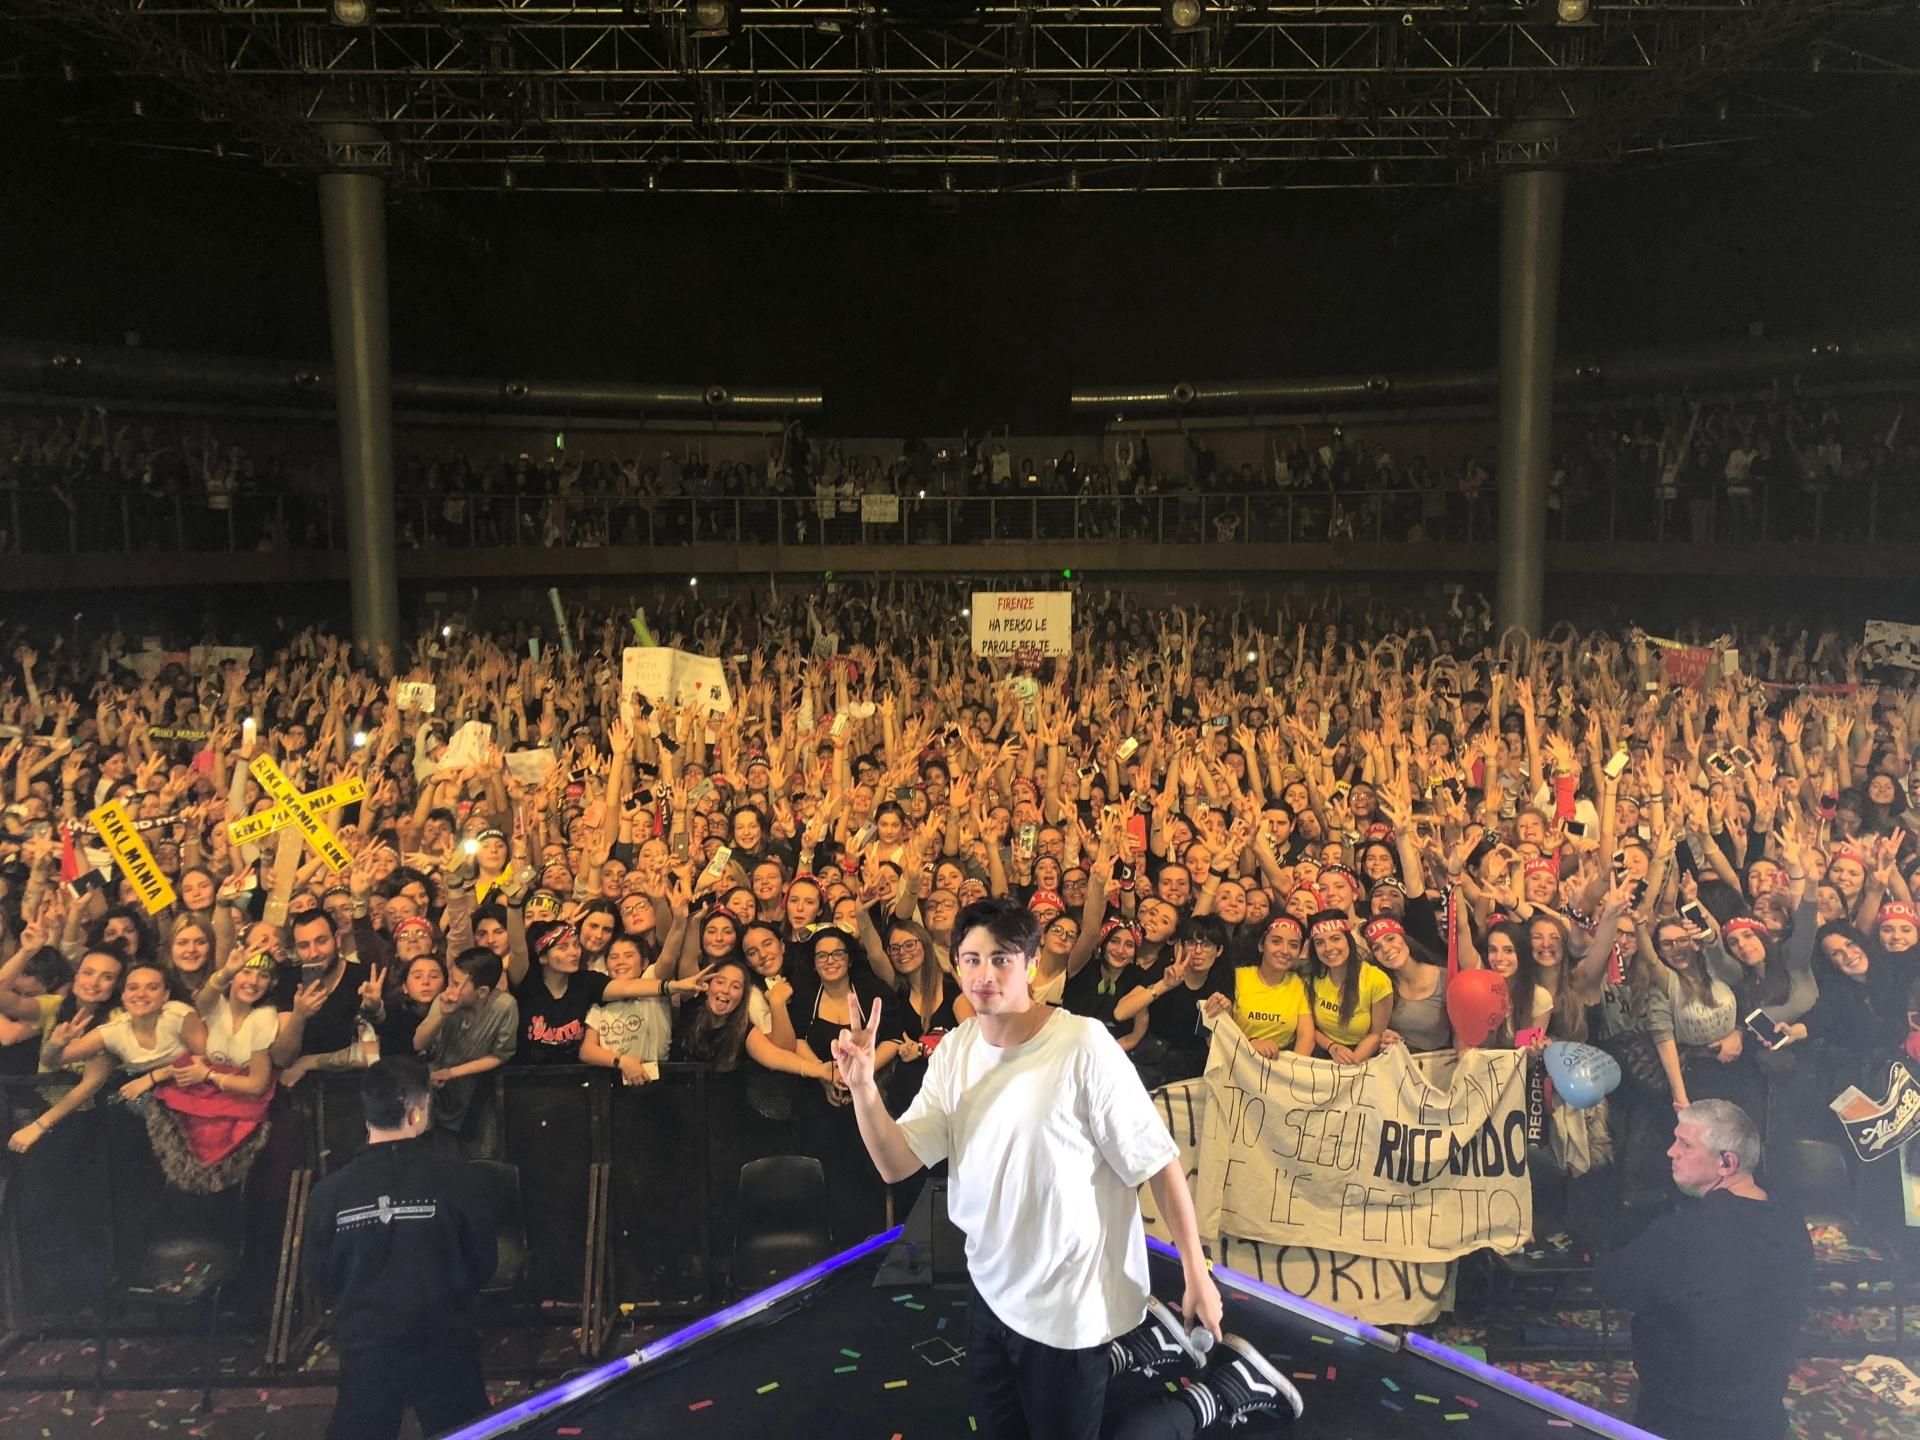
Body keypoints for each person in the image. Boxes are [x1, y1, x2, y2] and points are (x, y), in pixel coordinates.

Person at [832, 897, 1303, 1440]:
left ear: (1032, 964)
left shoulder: (1082, 1044)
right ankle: (1157, 1353)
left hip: (1069, 1304)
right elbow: (896, 1163)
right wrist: (864, 1088)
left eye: (1002, 959)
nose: (985, 974)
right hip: (989, 1288)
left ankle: (1218, 1393)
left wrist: (1197, 1274)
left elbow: (1157, 1160)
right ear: (956, 965)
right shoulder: (956, 1049)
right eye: (972, 959)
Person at [302, 1057, 499, 1440]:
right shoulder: (459, 1179)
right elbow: (483, 1262)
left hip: (366, 1345)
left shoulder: (328, 1194)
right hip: (444, 1338)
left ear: (367, 1115)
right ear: (416, 1113)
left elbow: (320, 1276)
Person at [1594, 1100, 1812, 1440]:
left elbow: (1610, 1282)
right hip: (1763, 1415)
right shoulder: (1791, 1223)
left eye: (1685, 1145)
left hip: (1683, 1417)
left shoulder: (1684, 1233)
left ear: (1726, 1163)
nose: (1671, 1152)